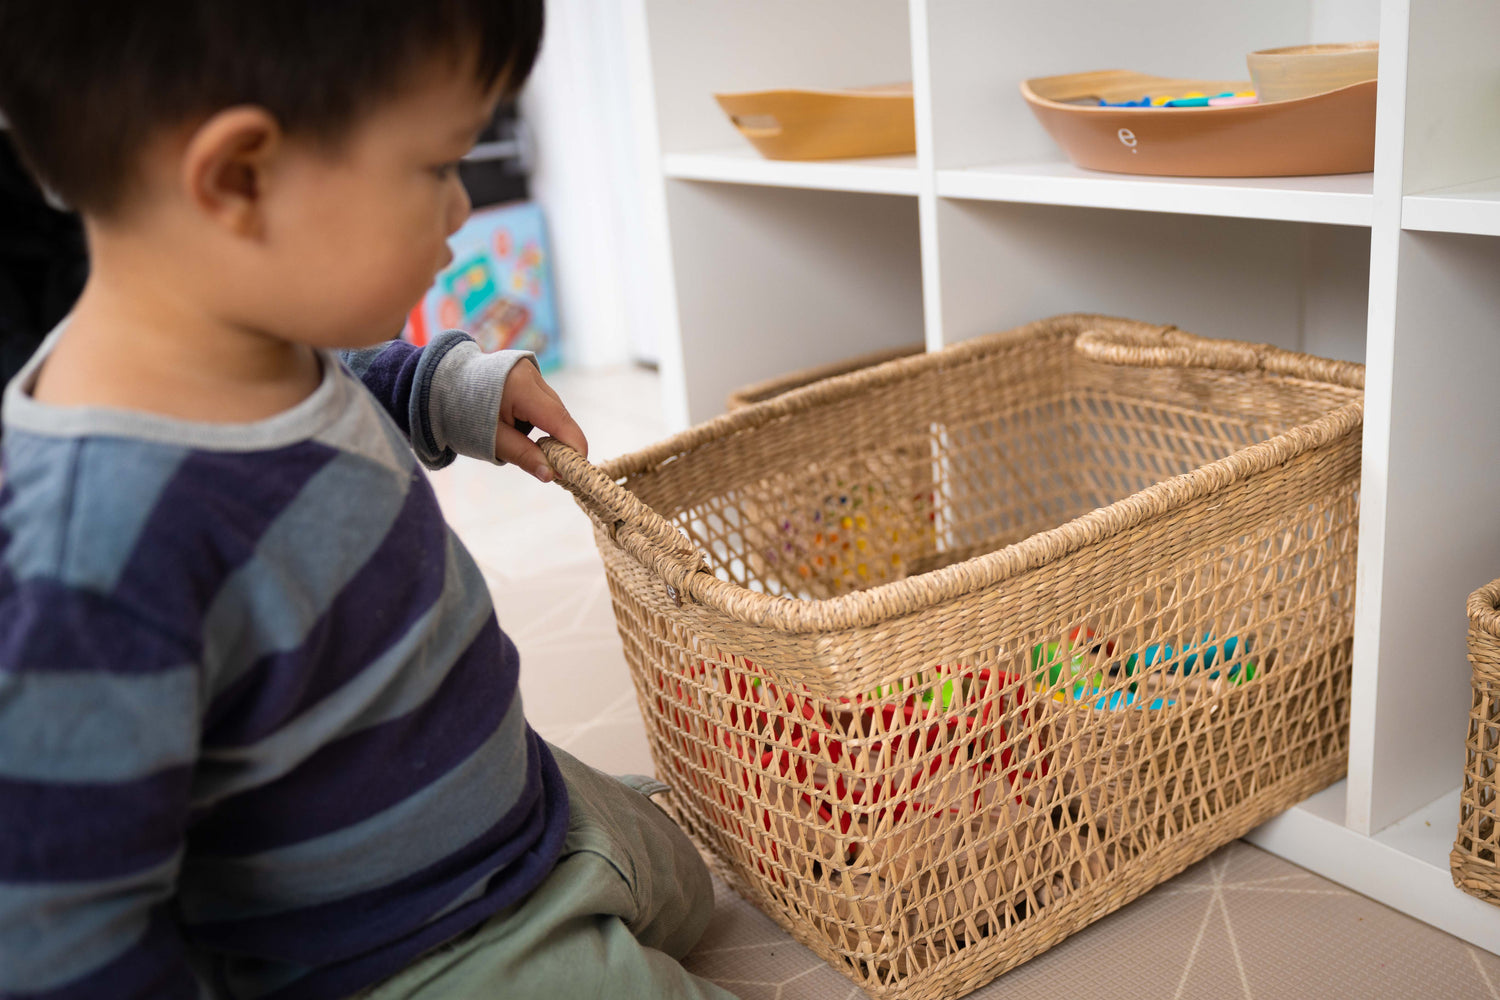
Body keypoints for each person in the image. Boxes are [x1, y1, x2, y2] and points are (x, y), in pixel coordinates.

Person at [0, 3, 736, 997]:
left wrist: (449, 389)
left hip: (504, 814)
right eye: (436, 167)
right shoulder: (94, 539)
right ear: (239, 178)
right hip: (396, 948)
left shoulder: (253, 327)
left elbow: (351, 377)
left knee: (695, 882)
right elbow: (59, 925)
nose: (461, 210)